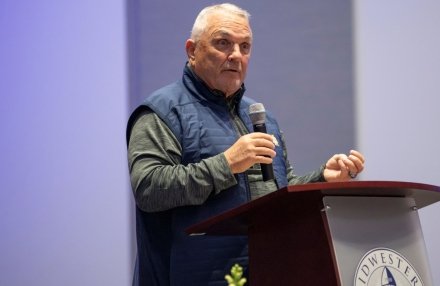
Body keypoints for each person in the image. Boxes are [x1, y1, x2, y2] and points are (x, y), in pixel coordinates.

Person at [126, 3, 365, 286]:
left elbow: (277, 192)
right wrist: (226, 164)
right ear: (192, 50)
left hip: (266, 274)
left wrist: (322, 178)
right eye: (223, 43)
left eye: (245, 46)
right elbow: (149, 188)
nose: (236, 55)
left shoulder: (262, 117)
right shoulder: (162, 112)